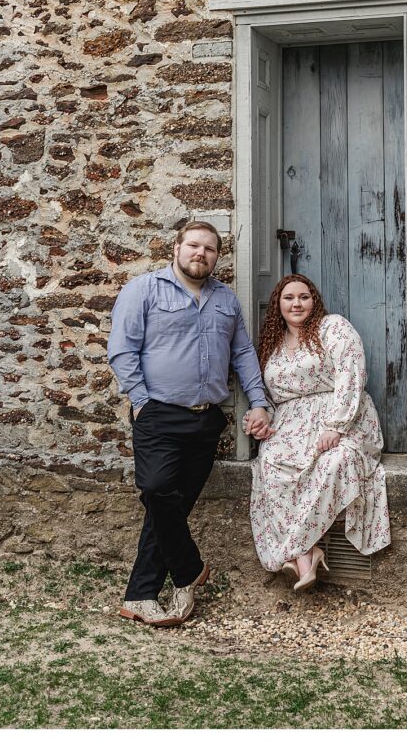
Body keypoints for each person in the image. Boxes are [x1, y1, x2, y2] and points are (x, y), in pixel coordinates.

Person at [108, 221, 273, 627]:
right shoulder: (144, 290)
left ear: (218, 256)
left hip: (205, 422)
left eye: (210, 249)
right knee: (157, 490)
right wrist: (142, 402)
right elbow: (121, 350)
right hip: (158, 414)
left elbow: (244, 354)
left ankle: (140, 596)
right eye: (193, 245)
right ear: (177, 247)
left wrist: (260, 402)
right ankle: (189, 570)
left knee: (171, 510)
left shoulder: (226, 300)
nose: (201, 253)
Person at [245, 274, 391, 591]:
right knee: (271, 467)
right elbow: (270, 398)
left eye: (304, 296)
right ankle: (307, 555)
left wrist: (336, 425)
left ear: (314, 301)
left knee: (334, 463)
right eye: (289, 298)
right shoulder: (271, 344)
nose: (296, 303)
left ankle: (293, 554)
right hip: (289, 428)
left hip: (341, 419)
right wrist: (260, 419)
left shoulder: (333, 328)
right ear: (277, 305)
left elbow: (351, 376)